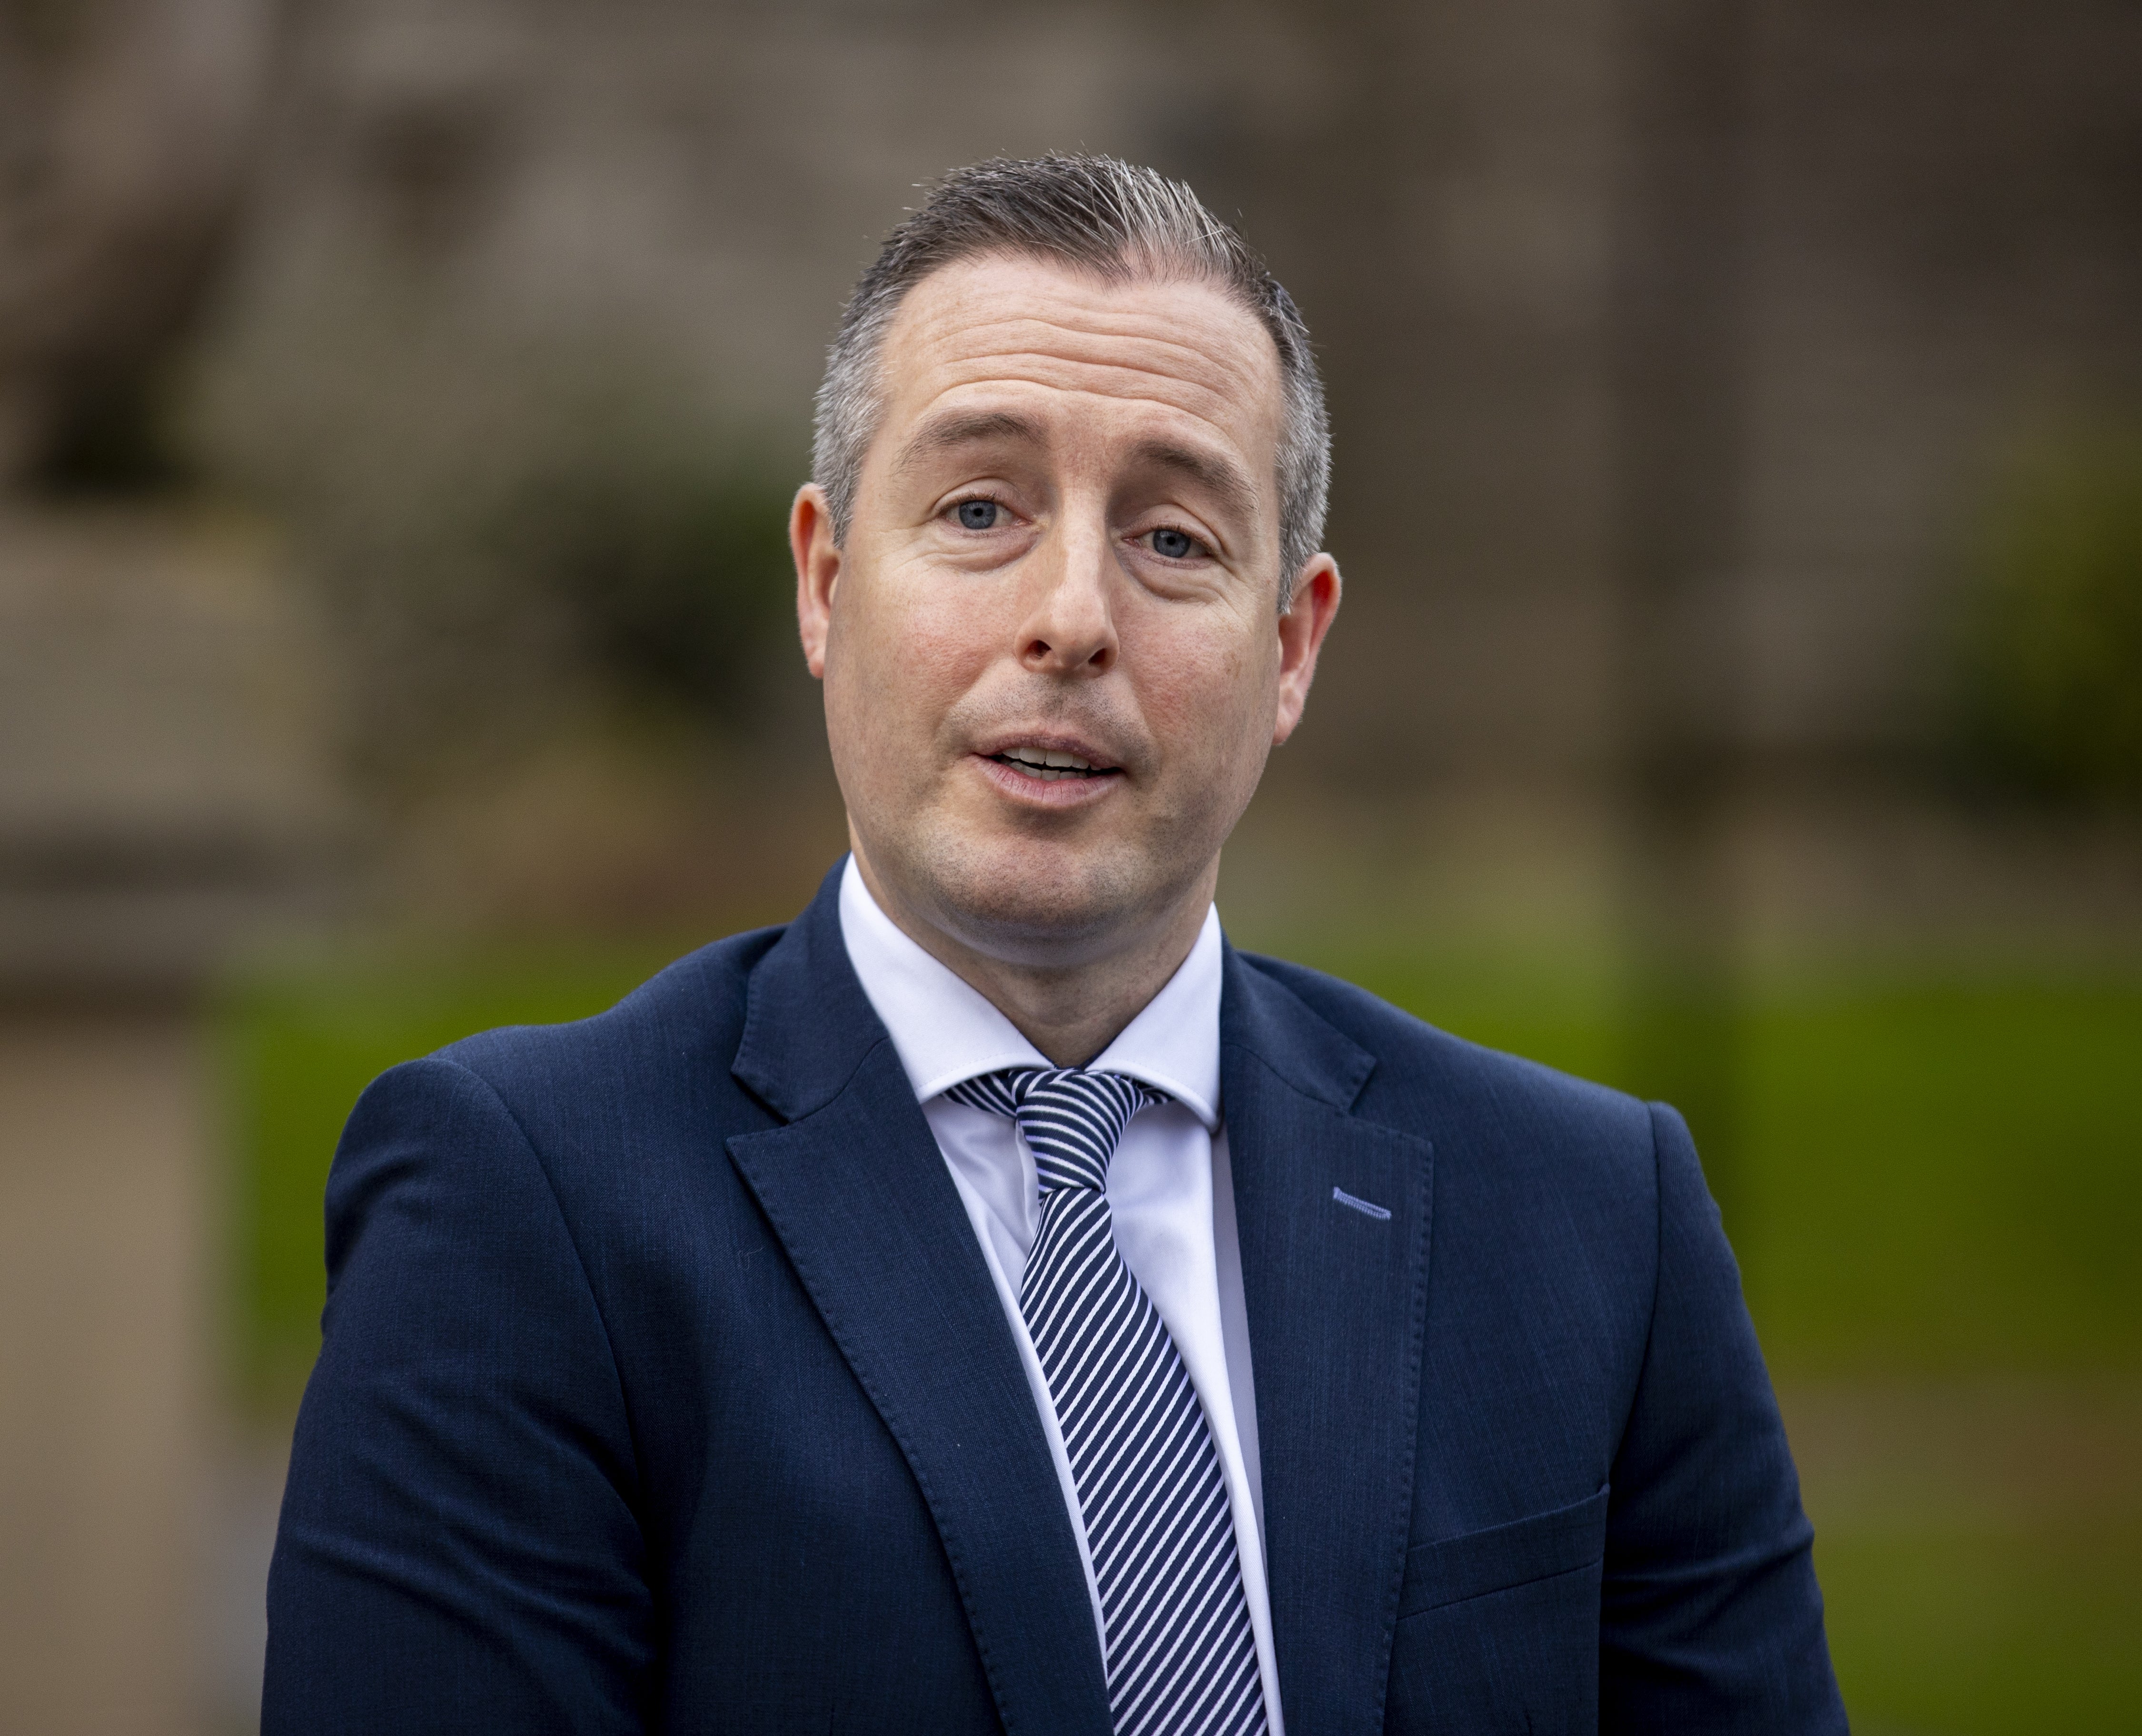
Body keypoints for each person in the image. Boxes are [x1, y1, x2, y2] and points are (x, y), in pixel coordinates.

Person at [264, 155, 1844, 1735]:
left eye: (1173, 539)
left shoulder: (1592, 1220)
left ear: (1291, 647)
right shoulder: (527, 1209)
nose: (1073, 614)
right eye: (978, 509)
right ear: (824, 583)